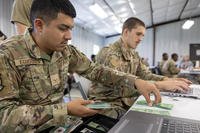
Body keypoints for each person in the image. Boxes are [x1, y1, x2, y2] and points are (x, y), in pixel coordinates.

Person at [0, 0, 162, 132]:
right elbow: (4, 117)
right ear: (39, 25)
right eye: (63, 28)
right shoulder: (8, 54)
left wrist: (134, 81)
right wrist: (64, 109)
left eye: (71, 28)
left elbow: (95, 70)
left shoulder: (66, 52)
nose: (69, 36)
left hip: (62, 124)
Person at [89, 17, 191, 119]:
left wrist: (167, 80)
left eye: (142, 35)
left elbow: (145, 75)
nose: (141, 39)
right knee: (143, 121)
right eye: (138, 34)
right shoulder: (109, 53)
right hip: (103, 104)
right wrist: (159, 85)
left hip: (122, 101)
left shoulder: (133, 54)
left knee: (159, 115)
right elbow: (117, 88)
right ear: (126, 32)